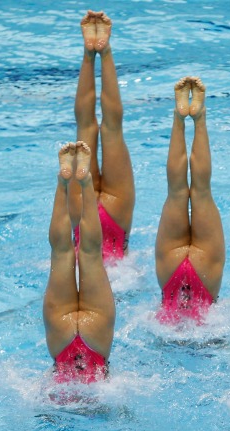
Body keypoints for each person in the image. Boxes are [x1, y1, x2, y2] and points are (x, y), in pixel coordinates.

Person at [155, 77, 225, 324]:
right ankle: (195, 116)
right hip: (201, 277)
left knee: (180, 191)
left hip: (182, 277)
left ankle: (182, 115)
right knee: (198, 191)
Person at [44, 142, 115, 384]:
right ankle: (71, 182)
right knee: (76, 252)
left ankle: (73, 181)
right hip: (72, 335)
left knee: (73, 252)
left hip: (72, 342)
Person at [70, 10, 135, 263]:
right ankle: (99, 50)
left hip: (87, 218)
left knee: (99, 127)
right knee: (108, 128)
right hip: (104, 216)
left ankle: (92, 51)